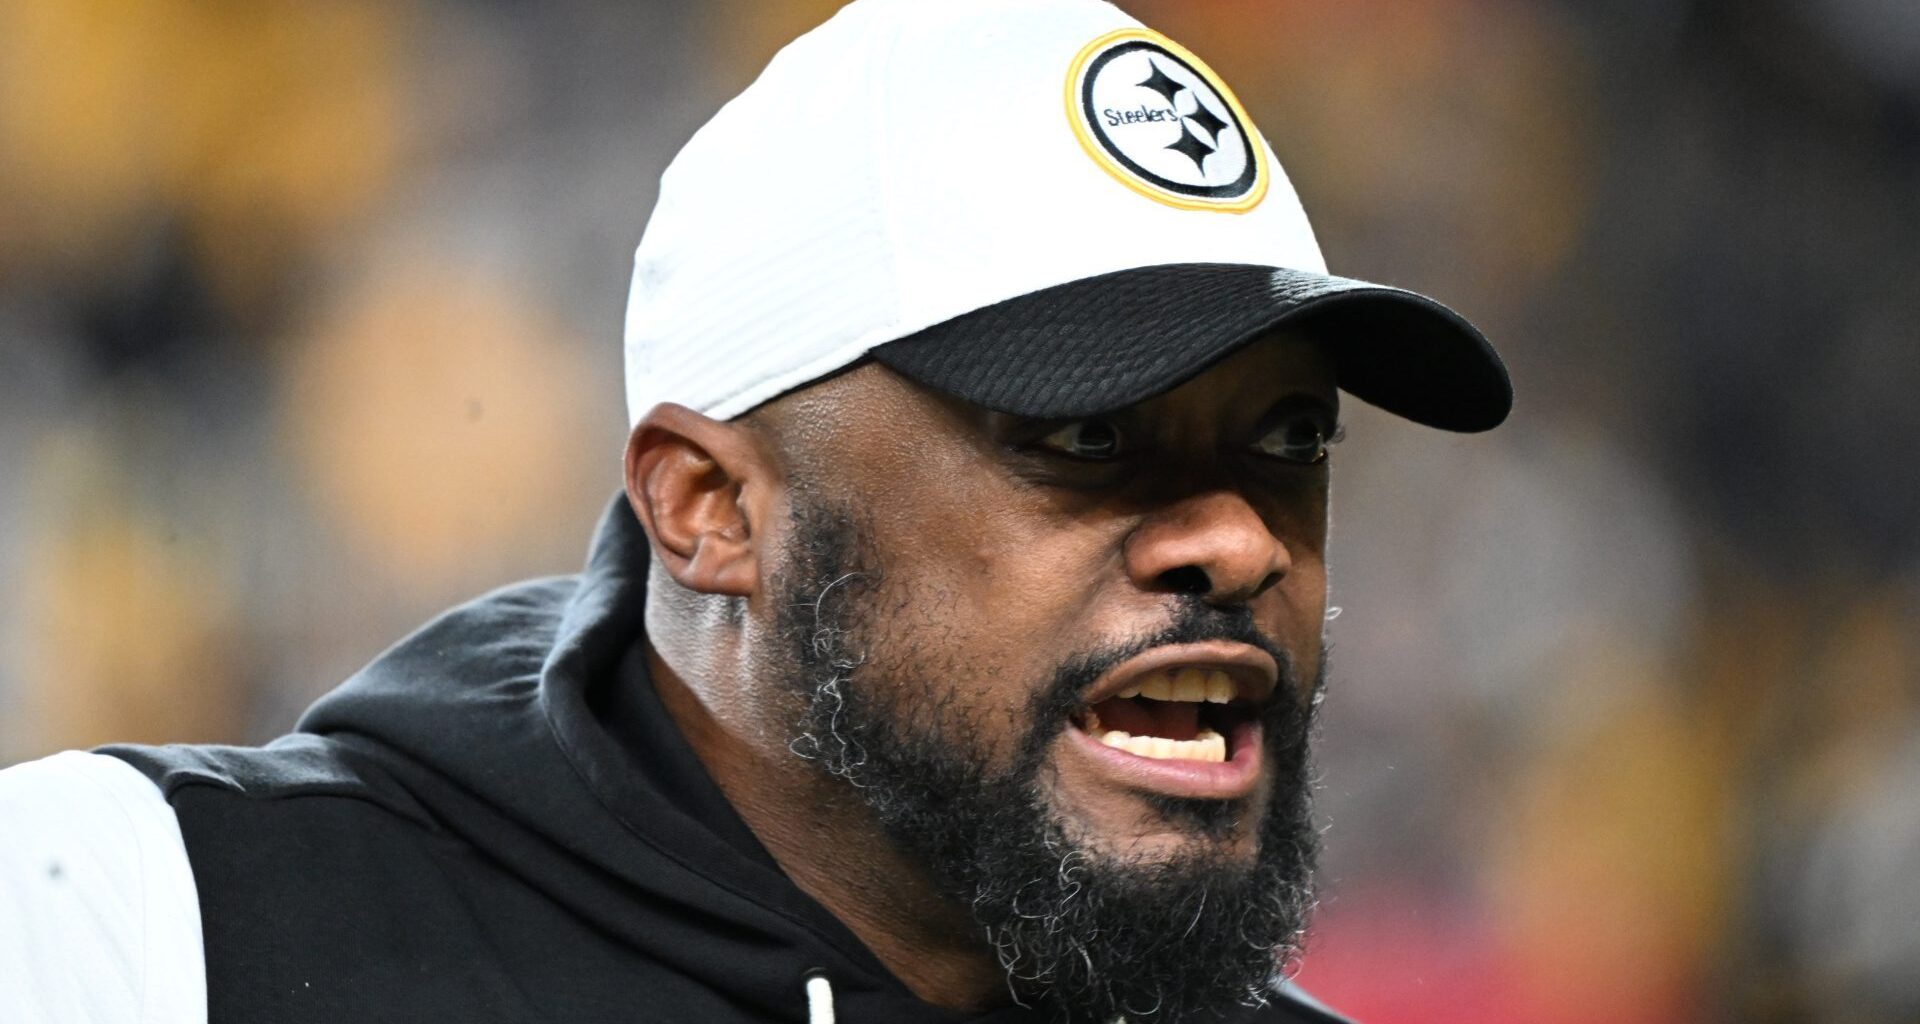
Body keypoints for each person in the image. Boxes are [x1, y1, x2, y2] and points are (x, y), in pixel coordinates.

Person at [0, 0, 1511, 1021]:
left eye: (1289, 436)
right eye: (1087, 434)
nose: (1241, 540)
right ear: (710, 509)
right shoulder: (145, 928)